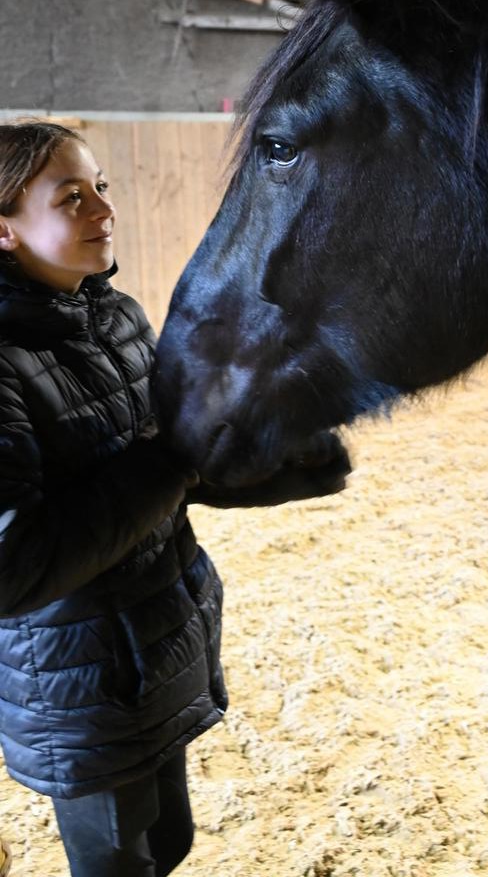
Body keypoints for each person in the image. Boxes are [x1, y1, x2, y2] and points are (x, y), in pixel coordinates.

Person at [0, 121, 226, 877]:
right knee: (118, 865)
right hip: (81, 680)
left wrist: (278, 453)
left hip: (154, 646)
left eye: (102, 186)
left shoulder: (116, 314)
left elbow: (175, 454)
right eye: (72, 196)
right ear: (5, 229)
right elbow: (13, 566)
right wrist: (172, 460)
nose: (104, 208)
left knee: (169, 843)